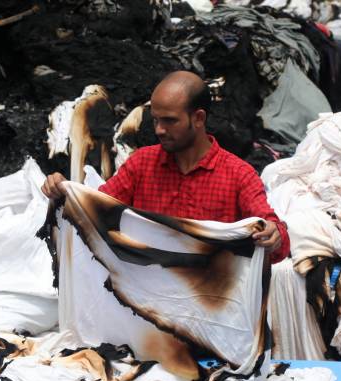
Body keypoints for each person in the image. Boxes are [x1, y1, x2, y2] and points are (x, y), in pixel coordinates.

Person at [42, 71, 289, 263]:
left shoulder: (238, 175)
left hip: (208, 302)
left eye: (170, 121)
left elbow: (273, 235)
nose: (159, 130)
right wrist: (64, 190)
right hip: (144, 305)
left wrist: (274, 235)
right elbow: (96, 205)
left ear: (199, 118)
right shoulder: (142, 164)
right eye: (156, 120)